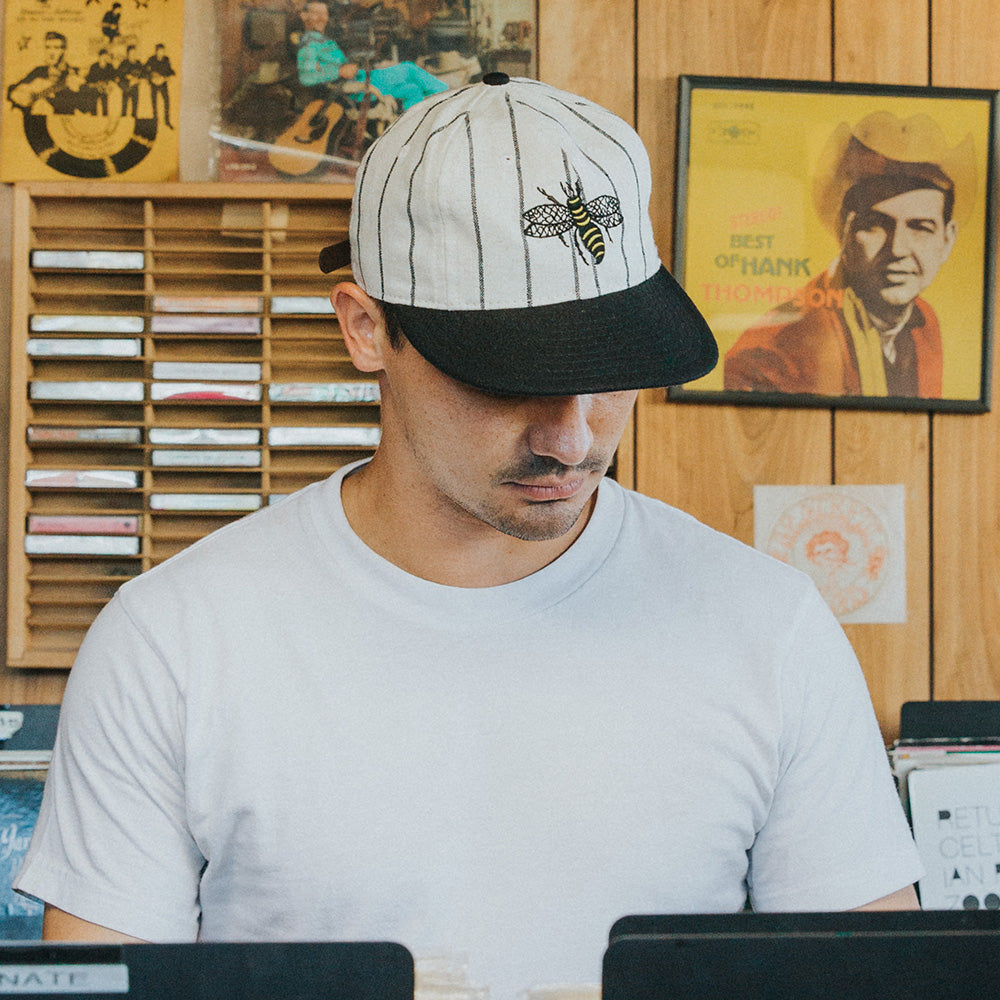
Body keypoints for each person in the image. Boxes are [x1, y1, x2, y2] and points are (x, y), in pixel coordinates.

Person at [14, 76, 922, 999]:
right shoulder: (172, 643)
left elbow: (876, 985)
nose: (572, 438)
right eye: (507, 377)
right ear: (367, 328)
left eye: (613, 375)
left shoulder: (769, 629)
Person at [724, 112, 975, 399]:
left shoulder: (924, 321)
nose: (898, 249)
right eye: (876, 225)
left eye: (920, 227)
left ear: (947, 239)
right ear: (844, 228)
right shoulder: (773, 354)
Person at [296, 0, 447, 111]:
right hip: (353, 89)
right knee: (408, 69)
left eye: (324, 13)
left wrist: (374, 66)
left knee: (412, 89)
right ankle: (450, 96)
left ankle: (413, 128)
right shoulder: (309, 42)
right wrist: (339, 71)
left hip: (360, 79)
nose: (321, 18)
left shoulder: (323, 40)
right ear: (303, 16)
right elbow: (306, 77)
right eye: (316, 13)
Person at [6, 32, 87, 115]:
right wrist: (19, 95)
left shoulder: (75, 73)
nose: (51, 53)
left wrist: (79, 91)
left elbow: (85, 105)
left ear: (64, 51)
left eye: (56, 48)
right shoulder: (39, 71)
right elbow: (12, 89)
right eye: (48, 47)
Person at [143, 42, 175, 128]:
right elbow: (144, 70)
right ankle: (155, 120)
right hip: (153, 83)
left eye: (163, 51)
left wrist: (168, 76)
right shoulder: (151, 59)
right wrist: (150, 77)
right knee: (154, 102)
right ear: (156, 51)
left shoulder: (166, 59)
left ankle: (167, 121)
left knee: (167, 101)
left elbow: (170, 70)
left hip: (163, 83)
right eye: (160, 51)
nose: (162, 53)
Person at [85, 49, 117, 116]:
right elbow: (90, 80)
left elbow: (113, 78)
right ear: (99, 57)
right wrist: (97, 85)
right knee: (93, 97)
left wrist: (107, 84)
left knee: (105, 101)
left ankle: (105, 116)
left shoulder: (110, 66)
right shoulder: (94, 66)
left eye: (105, 56)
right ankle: (93, 116)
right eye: (102, 56)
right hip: (96, 87)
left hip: (106, 88)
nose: (103, 58)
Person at [117, 44, 143, 118]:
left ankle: (134, 118)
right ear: (127, 54)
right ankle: (123, 121)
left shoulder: (138, 63)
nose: (133, 55)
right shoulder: (124, 63)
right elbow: (119, 74)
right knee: (124, 109)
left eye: (134, 53)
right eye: (131, 53)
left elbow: (144, 74)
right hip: (126, 87)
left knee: (135, 108)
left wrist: (138, 80)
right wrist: (127, 77)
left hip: (135, 87)